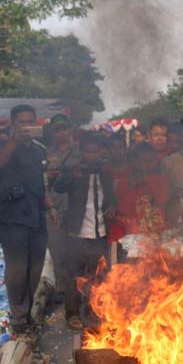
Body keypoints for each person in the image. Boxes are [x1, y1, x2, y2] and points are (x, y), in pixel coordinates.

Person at [0, 104, 55, 337]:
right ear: (13, 123)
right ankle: (19, 319)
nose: (27, 125)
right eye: (22, 121)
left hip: (36, 215)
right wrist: (14, 141)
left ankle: (26, 314)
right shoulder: (3, 145)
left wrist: (50, 206)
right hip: (11, 217)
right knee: (17, 270)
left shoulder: (39, 150)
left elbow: (41, 181)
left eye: (30, 121)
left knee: (35, 269)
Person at [53, 133, 116, 330]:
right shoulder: (75, 170)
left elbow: (113, 196)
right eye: (88, 151)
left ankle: (92, 314)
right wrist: (72, 175)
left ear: (101, 152)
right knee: (74, 277)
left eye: (95, 151)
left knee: (97, 277)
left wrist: (112, 205)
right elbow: (59, 187)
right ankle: (72, 314)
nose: (91, 155)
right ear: (82, 152)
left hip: (100, 232)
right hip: (76, 232)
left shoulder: (106, 172)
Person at [44, 114, 79, 313]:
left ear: (71, 129)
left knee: (77, 253)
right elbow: (40, 183)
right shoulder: (46, 154)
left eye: (64, 128)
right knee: (58, 253)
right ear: (52, 131)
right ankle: (63, 291)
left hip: (77, 210)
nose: (61, 132)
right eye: (57, 129)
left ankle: (78, 291)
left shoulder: (81, 152)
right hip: (54, 209)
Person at [114, 143, 169, 238]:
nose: (148, 164)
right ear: (134, 161)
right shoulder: (124, 182)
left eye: (151, 161)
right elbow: (124, 211)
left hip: (157, 233)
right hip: (134, 234)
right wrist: (133, 188)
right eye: (143, 161)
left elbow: (161, 201)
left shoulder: (160, 180)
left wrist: (146, 181)